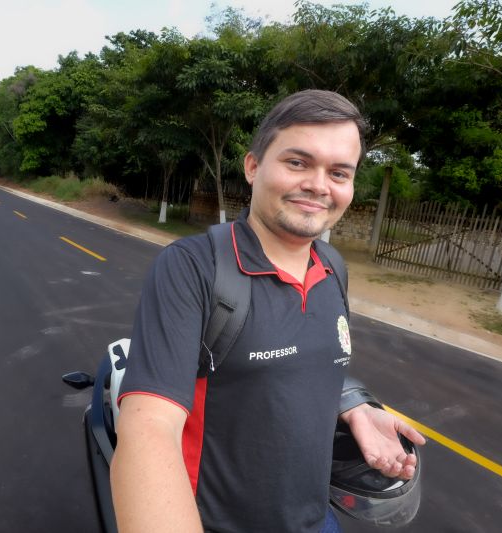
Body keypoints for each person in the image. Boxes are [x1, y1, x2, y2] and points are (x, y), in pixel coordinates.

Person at [110, 90, 426, 532]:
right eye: (298, 162)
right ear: (253, 166)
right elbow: (148, 430)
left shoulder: (333, 268)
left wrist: (355, 406)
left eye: (339, 172)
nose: (319, 185)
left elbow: (299, 363)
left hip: (318, 521)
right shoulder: (194, 267)